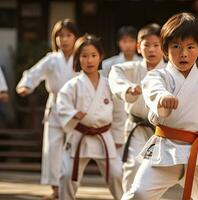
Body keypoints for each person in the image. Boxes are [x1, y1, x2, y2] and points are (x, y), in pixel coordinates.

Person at [121, 13, 198, 200]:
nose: (184, 53)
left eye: (191, 47)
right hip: (166, 149)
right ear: (166, 50)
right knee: (139, 194)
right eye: (176, 46)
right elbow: (154, 90)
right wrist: (163, 98)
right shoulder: (157, 77)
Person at [16, 19, 79, 200]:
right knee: (52, 149)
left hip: (75, 108)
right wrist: (26, 85)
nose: (64, 39)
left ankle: (69, 187)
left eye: (68, 35)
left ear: (76, 37)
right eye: (60, 35)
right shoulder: (51, 59)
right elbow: (34, 72)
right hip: (55, 107)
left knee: (72, 149)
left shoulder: (82, 57)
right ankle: (55, 189)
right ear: (55, 38)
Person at [56, 35, 126, 200]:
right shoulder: (72, 85)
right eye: (84, 56)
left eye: (93, 55)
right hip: (80, 136)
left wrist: (117, 137)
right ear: (77, 58)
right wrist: (73, 114)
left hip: (104, 135)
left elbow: (119, 113)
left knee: (116, 174)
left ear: (100, 57)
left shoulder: (109, 84)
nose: (89, 60)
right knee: (67, 175)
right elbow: (62, 104)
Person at [108, 23, 166, 192]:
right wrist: (128, 88)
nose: (151, 50)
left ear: (164, 48)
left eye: (156, 45)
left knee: (157, 173)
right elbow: (114, 72)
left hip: (162, 131)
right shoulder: (131, 68)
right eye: (146, 45)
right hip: (136, 128)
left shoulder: (171, 71)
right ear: (138, 48)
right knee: (133, 167)